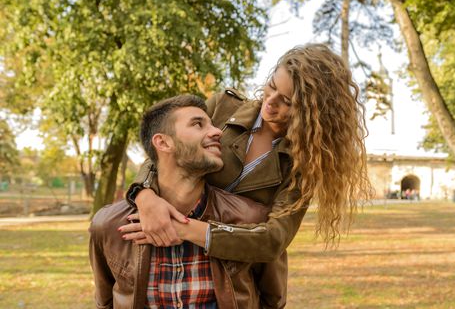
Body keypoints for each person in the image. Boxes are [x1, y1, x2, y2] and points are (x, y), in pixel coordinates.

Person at [121, 43, 373, 307]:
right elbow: (164, 151)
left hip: (238, 278)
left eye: (287, 102)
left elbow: (272, 239)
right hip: (170, 259)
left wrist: (185, 228)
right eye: (272, 86)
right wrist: (144, 195)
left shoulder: (303, 166)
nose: (270, 102)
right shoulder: (222, 108)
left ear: (313, 113)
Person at [89, 95, 272, 308]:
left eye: (211, 124)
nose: (217, 132)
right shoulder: (108, 226)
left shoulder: (249, 219)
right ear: (163, 142)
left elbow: (272, 300)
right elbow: (105, 302)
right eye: (198, 124)